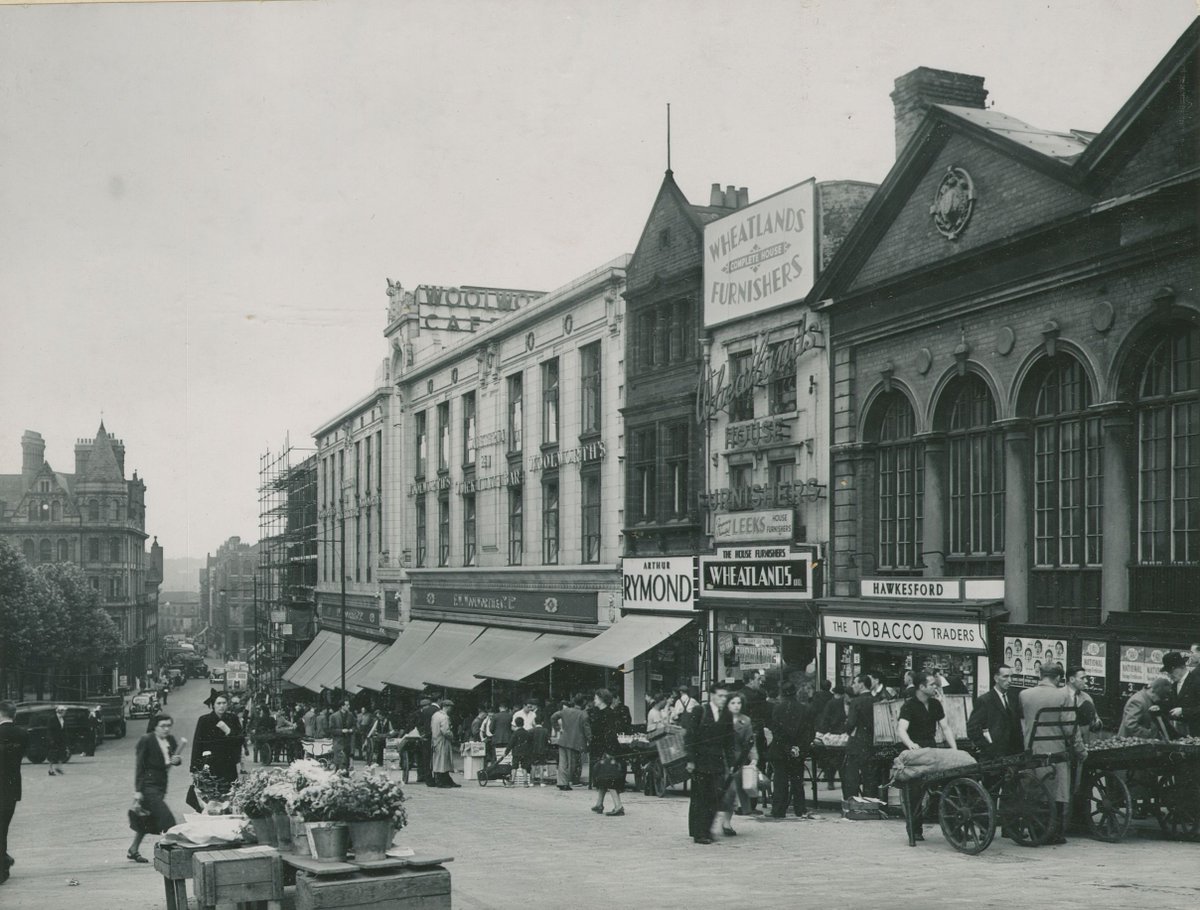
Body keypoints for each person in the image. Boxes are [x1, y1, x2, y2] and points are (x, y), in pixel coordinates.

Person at [1020, 663, 1084, 844]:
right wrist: (1080, 750)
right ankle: (1053, 833)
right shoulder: (1063, 696)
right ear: (1058, 678)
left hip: (1033, 751)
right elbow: (1070, 728)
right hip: (1056, 752)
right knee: (1058, 792)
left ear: (1041, 675)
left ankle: (1036, 830)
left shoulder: (1024, 695)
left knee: (1037, 790)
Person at [897, 671, 958, 842]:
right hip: (916, 752)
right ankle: (915, 829)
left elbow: (945, 728)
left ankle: (952, 826)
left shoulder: (935, 704)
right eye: (932, 684)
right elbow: (901, 729)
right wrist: (910, 744)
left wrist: (954, 749)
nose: (935, 687)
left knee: (947, 782)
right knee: (915, 791)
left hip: (932, 748)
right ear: (921, 687)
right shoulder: (909, 706)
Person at [127, 714, 185, 863]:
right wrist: (138, 791)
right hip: (148, 785)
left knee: (148, 819)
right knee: (167, 819)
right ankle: (172, 855)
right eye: (163, 726)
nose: (166, 729)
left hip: (161, 784)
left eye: (168, 726)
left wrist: (177, 760)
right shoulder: (146, 740)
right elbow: (140, 766)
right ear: (155, 727)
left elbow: (173, 759)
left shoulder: (170, 740)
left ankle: (133, 849)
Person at [684, 682, 732, 843]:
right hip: (700, 761)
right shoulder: (700, 711)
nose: (723, 699)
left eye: (725, 696)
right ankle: (699, 832)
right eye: (720, 696)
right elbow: (690, 736)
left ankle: (707, 829)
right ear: (712, 696)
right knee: (700, 796)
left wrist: (731, 763)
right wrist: (690, 760)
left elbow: (729, 741)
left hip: (717, 762)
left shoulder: (726, 715)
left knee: (714, 796)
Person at [768, 682, 815, 819]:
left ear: (782, 694)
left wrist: (787, 747)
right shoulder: (805, 709)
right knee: (797, 780)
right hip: (797, 750)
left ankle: (778, 810)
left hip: (780, 749)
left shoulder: (777, 708)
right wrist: (798, 747)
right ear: (795, 693)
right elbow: (809, 732)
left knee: (780, 780)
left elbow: (776, 731)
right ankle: (800, 809)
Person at [190, 691, 244, 801]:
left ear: (228, 704)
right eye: (218, 703)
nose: (221, 706)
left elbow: (240, 740)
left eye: (224, 703)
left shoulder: (232, 718)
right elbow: (197, 744)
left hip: (228, 764)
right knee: (210, 796)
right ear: (213, 705)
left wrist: (228, 731)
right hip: (210, 764)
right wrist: (194, 767)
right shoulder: (204, 720)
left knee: (229, 795)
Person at [717, 691, 757, 833]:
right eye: (733, 703)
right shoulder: (720, 718)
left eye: (739, 703)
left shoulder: (745, 721)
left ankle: (726, 823)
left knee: (733, 791)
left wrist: (754, 759)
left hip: (737, 759)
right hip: (720, 758)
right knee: (720, 790)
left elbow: (750, 742)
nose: (736, 706)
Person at [967, 664, 1024, 758]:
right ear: (996, 678)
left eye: (1011, 677)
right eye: (1005, 677)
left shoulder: (1013, 698)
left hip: (1014, 753)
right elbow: (972, 729)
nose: (1010, 680)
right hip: (994, 755)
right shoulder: (985, 700)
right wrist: (987, 747)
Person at [0, 701, 29, 886]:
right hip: (11, 787)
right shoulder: (23, 734)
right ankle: (4, 862)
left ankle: (3, 865)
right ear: (14, 714)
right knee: (3, 828)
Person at [588, 688, 626, 817]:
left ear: (602, 699)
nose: (594, 700)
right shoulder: (603, 712)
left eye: (596, 698)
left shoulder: (607, 714)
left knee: (609, 776)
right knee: (602, 775)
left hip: (606, 749)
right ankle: (599, 804)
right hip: (603, 748)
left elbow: (609, 734)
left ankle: (618, 806)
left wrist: (608, 751)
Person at [843, 673, 880, 800]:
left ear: (861, 684)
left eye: (854, 683)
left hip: (858, 742)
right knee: (870, 777)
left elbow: (851, 724)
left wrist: (847, 730)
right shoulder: (877, 700)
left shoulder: (856, 702)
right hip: (873, 742)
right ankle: (870, 804)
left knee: (852, 776)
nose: (853, 685)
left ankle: (853, 803)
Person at [551, 694, 590, 791]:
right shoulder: (583, 714)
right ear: (583, 703)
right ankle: (566, 782)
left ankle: (561, 782)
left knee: (563, 762)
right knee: (572, 764)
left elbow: (553, 717)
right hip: (576, 742)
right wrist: (590, 739)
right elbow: (587, 730)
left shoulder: (565, 711)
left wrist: (557, 728)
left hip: (563, 739)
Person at [1164, 647, 1200, 737]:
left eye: (1170, 671)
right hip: (1181, 733)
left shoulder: (1196, 682)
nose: (1169, 675)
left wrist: (1184, 711)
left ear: (1180, 667)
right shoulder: (1174, 685)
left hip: (1196, 733)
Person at [1066, 667, 1104, 744]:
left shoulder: (1087, 697)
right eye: (1082, 678)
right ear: (1072, 679)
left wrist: (1096, 723)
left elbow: (1096, 723)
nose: (1086, 681)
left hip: (1083, 745)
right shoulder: (1060, 696)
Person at [430, 699, 459, 787]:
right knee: (443, 761)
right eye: (451, 707)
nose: (451, 710)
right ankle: (441, 781)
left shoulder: (435, 715)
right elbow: (445, 731)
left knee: (438, 760)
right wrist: (452, 737)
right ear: (447, 707)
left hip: (435, 739)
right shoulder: (444, 717)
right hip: (443, 741)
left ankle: (445, 779)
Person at [329, 700, 355, 771]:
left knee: (347, 761)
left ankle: (346, 776)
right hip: (338, 741)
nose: (348, 706)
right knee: (339, 760)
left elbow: (354, 726)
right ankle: (337, 776)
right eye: (347, 705)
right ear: (342, 706)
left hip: (347, 741)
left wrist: (351, 730)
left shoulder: (350, 715)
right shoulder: (333, 716)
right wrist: (341, 731)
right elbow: (331, 730)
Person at [418, 697, 439, 786]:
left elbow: (420, 724)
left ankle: (427, 778)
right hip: (432, 737)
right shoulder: (436, 711)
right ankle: (434, 778)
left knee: (426, 759)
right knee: (433, 759)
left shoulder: (422, 712)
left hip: (425, 737)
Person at [47, 704, 69, 776]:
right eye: (64, 711)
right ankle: (50, 770)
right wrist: (51, 739)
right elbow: (50, 730)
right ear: (60, 711)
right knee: (52, 755)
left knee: (61, 753)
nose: (65, 713)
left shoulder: (63, 718)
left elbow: (63, 729)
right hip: (54, 739)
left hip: (61, 739)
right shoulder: (52, 718)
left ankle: (59, 767)